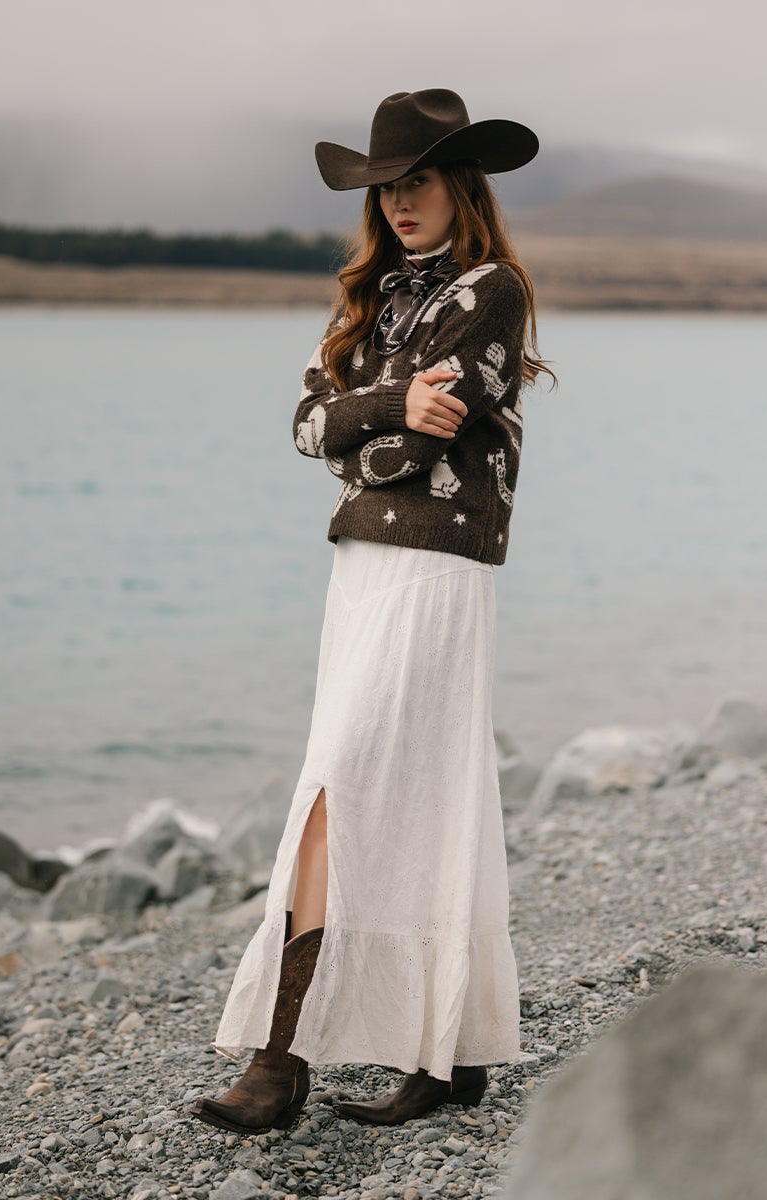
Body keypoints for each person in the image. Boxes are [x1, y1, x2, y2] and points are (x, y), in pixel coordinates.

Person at [189, 88, 552, 1132]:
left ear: (461, 185)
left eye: (419, 180)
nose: (400, 201)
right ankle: (453, 1050)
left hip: (437, 567)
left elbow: (392, 458)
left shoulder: (491, 291)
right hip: (362, 568)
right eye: (388, 186)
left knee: (337, 780)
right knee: (433, 793)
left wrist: (368, 424)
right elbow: (310, 429)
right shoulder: (375, 300)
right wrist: (387, 405)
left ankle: (279, 1060)